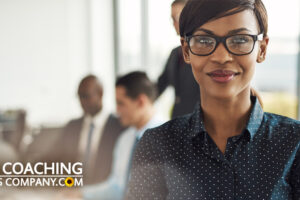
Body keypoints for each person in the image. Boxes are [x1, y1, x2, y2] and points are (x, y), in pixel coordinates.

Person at [125, 0, 300, 199]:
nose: (221, 57)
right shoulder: (157, 145)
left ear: (262, 49)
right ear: (186, 50)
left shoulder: (294, 142)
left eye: (240, 39)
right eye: (204, 40)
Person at [79, 71, 166, 200]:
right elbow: (117, 188)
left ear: (141, 102)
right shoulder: (125, 139)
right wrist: (82, 194)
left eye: (121, 104)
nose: (117, 110)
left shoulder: (171, 138)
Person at [52, 74, 125, 185]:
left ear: (100, 93)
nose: (82, 102)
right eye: (79, 97)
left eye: (86, 96)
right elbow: (54, 157)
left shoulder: (119, 126)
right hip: (72, 188)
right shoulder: (72, 126)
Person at [157, 0, 200, 119]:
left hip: (199, 121)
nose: (174, 23)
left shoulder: (204, 52)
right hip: (177, 119)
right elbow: (161, 84)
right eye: (172, 19)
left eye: (176, 17)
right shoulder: (175, 53)